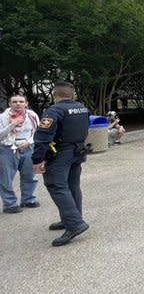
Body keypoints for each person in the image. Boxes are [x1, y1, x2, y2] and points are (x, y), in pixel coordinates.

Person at [31, 82, 90, 247]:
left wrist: (37, 159)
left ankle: (74, 224)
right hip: (78, 151)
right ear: (72, 95)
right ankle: (70, 219)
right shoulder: (82, 108)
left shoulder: (54, 111)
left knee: (57, 185)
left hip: (61, 154)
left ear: (54, 95)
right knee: (72, 186)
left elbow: (43, 137)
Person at [0, 95, 40, 213]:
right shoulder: (2, 117)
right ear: (9, 104)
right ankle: (9, 204)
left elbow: (37, 132)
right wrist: (12, 124)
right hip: (7, 149)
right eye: (15, 102)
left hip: (27, 148)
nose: (18, 104)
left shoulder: (32, 116)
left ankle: (28, 199)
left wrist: (29, 142)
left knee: (29, 175)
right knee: (6, 178)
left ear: (26, 104)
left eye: (21, 101)